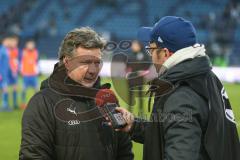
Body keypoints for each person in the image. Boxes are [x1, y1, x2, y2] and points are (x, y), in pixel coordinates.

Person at [115, 16, 240, 160]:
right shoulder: (205, 76)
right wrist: (134, 126)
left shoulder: (181, 94)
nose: (151, 57)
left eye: (152, 50)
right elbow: (172, 129)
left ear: (166, 53)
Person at [19, 27, 134, 160]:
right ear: (67, 62)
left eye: (97, 63)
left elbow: (124, 153)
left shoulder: (107, 100)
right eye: (85, 62)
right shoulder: (43, 103)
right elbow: (33, 156)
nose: (93, 70)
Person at [126, 40, 150, 113]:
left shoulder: (144, 55)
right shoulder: (130, 55)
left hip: (140, 78)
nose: (133, 47)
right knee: (130, 94)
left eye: (135, 45)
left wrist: (145, 72)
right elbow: (127, 66)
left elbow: (148, 65)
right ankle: (130, 109)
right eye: (133, 45)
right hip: (131, 78)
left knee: (140, 94)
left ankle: (141, 109)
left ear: (139, 46)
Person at [20, 40, 39, 109]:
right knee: (23, 89)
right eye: (29, 44)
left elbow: (36, 62)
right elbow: (22, 62)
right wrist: (22, 71)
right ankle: (23, 103)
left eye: (32, 44)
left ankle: (37, 103)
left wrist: (37, 71)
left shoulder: (35, 52)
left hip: (33, 75)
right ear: (26, 45)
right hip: (26, 74)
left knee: (36, 90)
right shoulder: (24, 52)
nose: (31, 46)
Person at [7, 34, 20, 109]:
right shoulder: (6, 50)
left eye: (16, 42)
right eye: (14, 42)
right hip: (8, 71)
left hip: (14, 71)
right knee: (7, 88)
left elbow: (15, 61)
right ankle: (7, 104)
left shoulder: (16, 50)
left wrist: (16, 69)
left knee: (15, 87)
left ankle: (14, 104)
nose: (15, 43)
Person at [0, 35, 11, 111]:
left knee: (4, 89)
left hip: (5, 74)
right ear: (3, 41)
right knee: (5, 89)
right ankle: (4, 105)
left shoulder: (6, 50)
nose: (9, 42)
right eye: (7, 41)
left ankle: (5, 105)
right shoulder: (2, 50)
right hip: (2, 74)